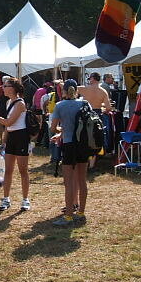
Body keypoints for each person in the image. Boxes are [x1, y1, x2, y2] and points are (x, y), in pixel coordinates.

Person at [50, 79, 88, 226]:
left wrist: (62, 130)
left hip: (69, 144)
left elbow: (53, 128)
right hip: (83, 145)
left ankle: (68, 216)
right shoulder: (84, 103)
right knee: (82, 180)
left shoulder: (60, 105)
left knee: (69, 182)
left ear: (64, 91)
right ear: (76, 90)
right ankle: (81, 213)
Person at [0, 77, 31, 212]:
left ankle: (25, 199)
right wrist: (3, 142)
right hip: (11, 137)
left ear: (13, 88)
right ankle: (6, 198)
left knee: (23, 170)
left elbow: (9, 122)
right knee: (8, 170)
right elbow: (7, 127)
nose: (3, 88)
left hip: (21, 137)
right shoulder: (8, 102)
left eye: (5, 86)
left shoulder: (20, 103)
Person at [77, 72, 111, 169]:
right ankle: (91, 165)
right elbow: (108, 108)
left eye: (90, 78)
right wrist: (103, 110)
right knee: (95, 139)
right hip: (97, 115)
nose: (89, 80)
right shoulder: (103, 91)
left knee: (84, 137)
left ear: (93, 78)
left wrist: (60, 83)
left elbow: (70, 87)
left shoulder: (85, 89)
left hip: (86, 114)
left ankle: (85, 162)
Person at [0, 75, 11, 145]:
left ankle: (1, 139)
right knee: (7, 123)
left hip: (1, 107)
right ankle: (5, 139)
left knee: (0, 124)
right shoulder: (10, 88)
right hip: (8, 106)